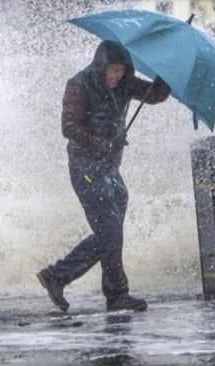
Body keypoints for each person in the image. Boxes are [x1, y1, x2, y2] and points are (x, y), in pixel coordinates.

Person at [37, 40, 170, 312]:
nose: (116, 76)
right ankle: (62, 277)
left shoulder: (126, 83)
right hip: (86, 169)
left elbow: (154, 95)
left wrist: (164, 77)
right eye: (113, 70)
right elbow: (69, 127)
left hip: (110, 169)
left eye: (122, 71)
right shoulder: (80, 84)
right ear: (101, 66)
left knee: (112, 232)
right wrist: (100, 143)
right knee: (110, 232)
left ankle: (108, 292)